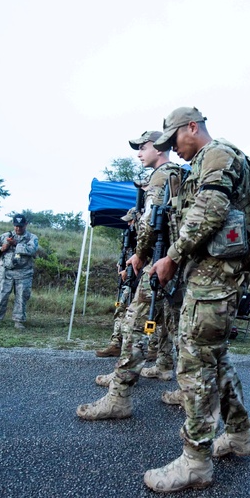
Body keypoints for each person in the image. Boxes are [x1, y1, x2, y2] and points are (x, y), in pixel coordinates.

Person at [143, 107, 250, 493]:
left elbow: (211, 210)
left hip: (214, 283)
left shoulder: (217, 154)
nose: (173, 148)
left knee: (194, 364)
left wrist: (172, 257)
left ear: (192, 127)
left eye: (174, 139)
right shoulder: (203, 163)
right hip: (211, 280)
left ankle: (196, 462)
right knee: (215, 358)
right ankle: (240, 434)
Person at [77, 130, 185, 420]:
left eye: (143, 147)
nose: (139, 153)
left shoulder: (161, 177)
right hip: (176, 264)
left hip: (160, 263)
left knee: (134, 325)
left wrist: (138, 254)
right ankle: (189, 390)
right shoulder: (178, 175)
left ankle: (119, 396)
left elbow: (150, 223)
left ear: (159, 148)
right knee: (177, 330)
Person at [96, 207, 139, 358]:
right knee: (121, 310)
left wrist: (128, 271)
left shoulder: (145, 237)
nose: (128, 224)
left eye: (130, 221)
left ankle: (144, 348)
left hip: (137, 280)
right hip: (128, 280)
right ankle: (116, 344)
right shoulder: (130, 236)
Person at [0, 215, 39, 330]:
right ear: (13, 225)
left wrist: (16, 244)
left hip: (23, 273)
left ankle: (18, 321)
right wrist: (2, 248)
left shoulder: (31, 237)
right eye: (16, 226)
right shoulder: (5, 236)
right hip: (5, 272)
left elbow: (32, 250)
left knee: (21, 297)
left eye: (21, 226)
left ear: (26, 225)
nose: (18, 228)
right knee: (0, 296)